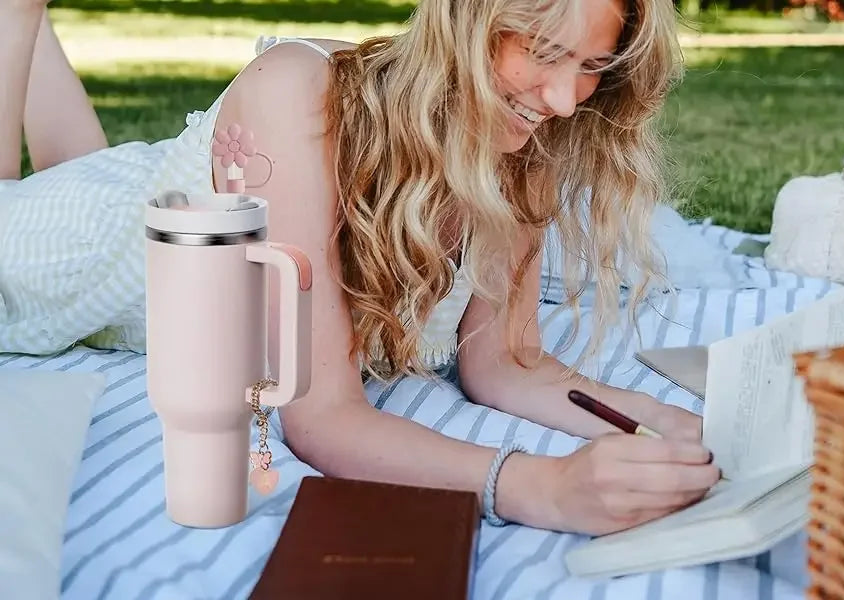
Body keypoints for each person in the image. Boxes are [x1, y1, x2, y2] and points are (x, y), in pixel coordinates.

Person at [1, 0, 720, 535]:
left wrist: (665, 422)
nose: (563, 101)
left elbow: (505, 365)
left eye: (591, 66)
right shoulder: (300, 94)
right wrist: (541, 486)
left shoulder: (520, 146)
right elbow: (322, 416)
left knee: (84, 169)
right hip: (78, 246)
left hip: (144, 201)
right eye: (539, 48)